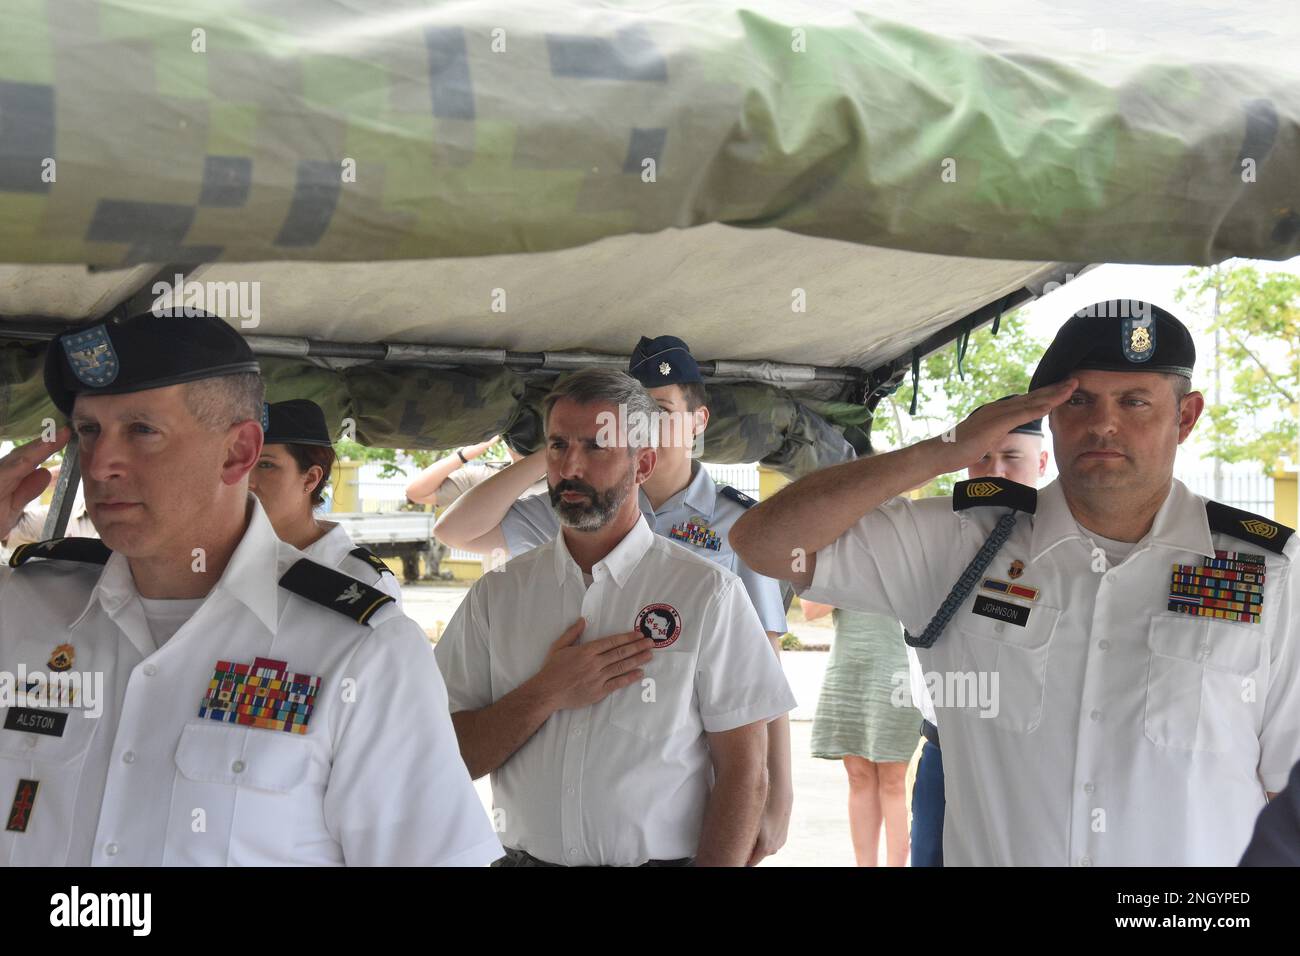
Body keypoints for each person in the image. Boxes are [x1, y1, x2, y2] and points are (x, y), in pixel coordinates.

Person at [732, 300, 1300, 866]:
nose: (1104, 423)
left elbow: (1284, 785)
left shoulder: (1269, 571)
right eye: (1078, 401)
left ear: (1186, 416)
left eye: (1134, 402)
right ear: (1048, 417)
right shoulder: (961, 545)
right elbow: (763, 542)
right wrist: (949, 447)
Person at [0, 312, 500, 866]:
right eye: (90, 430)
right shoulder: (23, 606)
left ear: (238, 452)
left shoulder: (359, 650)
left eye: (142, 430)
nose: (100, 464)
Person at [434, 335, 794, 860]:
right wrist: (547, 691)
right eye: (559, 445)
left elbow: (744, 767)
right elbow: (448, 756)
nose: (571, 467)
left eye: (596, 445)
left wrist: (776, 802)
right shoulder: (497, 596)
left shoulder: (709, 592)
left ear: (642, 464)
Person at [908, 400, 1050, 867]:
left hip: (1027, 760)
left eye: (1013, 457)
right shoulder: (929, 533)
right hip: (944, 754)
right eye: (982, 456)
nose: (995, 470)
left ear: (1043, 463)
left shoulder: (1065, 546)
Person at [248, 398, 402, 605]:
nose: (245, 481)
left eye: (266, 465)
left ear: (311, 478)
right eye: (240, 463)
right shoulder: (222, 561)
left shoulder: (362, 579)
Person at [805, 601, 918, 866]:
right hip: (851, 664)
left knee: (895, 781)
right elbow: (811, 610)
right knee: (858, 777)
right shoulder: (834, 557)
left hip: (899, 667)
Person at [404, 435, 545, 509]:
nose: (522, 437)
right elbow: (416, 493)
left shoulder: (561, 478)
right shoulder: (485, 476)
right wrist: (463, 455)